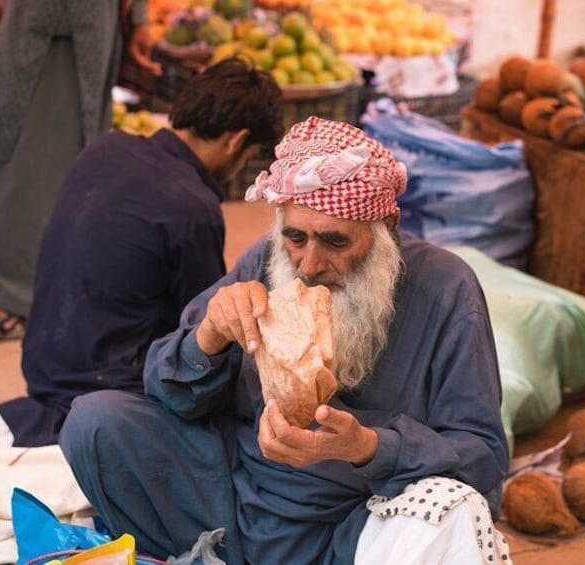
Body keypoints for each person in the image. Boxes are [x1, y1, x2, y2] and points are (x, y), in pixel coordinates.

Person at [60, 117, 512, 564]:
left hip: (355, 523)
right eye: (296, 236)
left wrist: (365, 447)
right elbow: (166, 391)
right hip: (232, 496)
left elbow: (482, 456)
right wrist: (209, 337)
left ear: (386, 226)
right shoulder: (265, 258)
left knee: (451, 509)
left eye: (335, 242)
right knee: (95, 421)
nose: (310, 263)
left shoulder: (446, 288)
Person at [0, 58, 284, 447]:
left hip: (42, 365)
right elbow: (203, 328)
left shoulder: (104, 148)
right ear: (237, 141)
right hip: (103, 391)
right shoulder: (192, 206)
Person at [0, 0, 160, 336]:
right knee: (19, 148)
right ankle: (16, 297)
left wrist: (139, 17)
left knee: (70, 152)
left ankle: (36, 299)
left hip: (89, 20)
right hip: (35, 17)